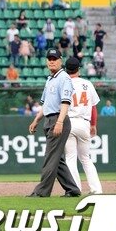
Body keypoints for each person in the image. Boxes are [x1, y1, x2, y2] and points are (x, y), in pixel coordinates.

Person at [27, 48, 80, 198]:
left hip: (58, 119)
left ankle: (41, 192)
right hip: (49, 119)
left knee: (50, 157)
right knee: (58, 159)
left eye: (54, 58)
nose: (51, 61)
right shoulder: (50, 79)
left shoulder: (64, 78)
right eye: (49, 58)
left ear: (60, 61)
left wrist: (60, 122)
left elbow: (65, 102)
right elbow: (45, 104)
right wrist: (36, 120)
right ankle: (73, 189)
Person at [64, 56, 103, 195]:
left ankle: (75, 189)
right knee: (86, 159)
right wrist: (93, 125)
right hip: (84, 123)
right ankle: (96, 189)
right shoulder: (87, 84)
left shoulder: (63, 83)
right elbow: (93, 108)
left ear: (65, 69)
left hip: (69, 123)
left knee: (70, 158)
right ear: (78, 69)